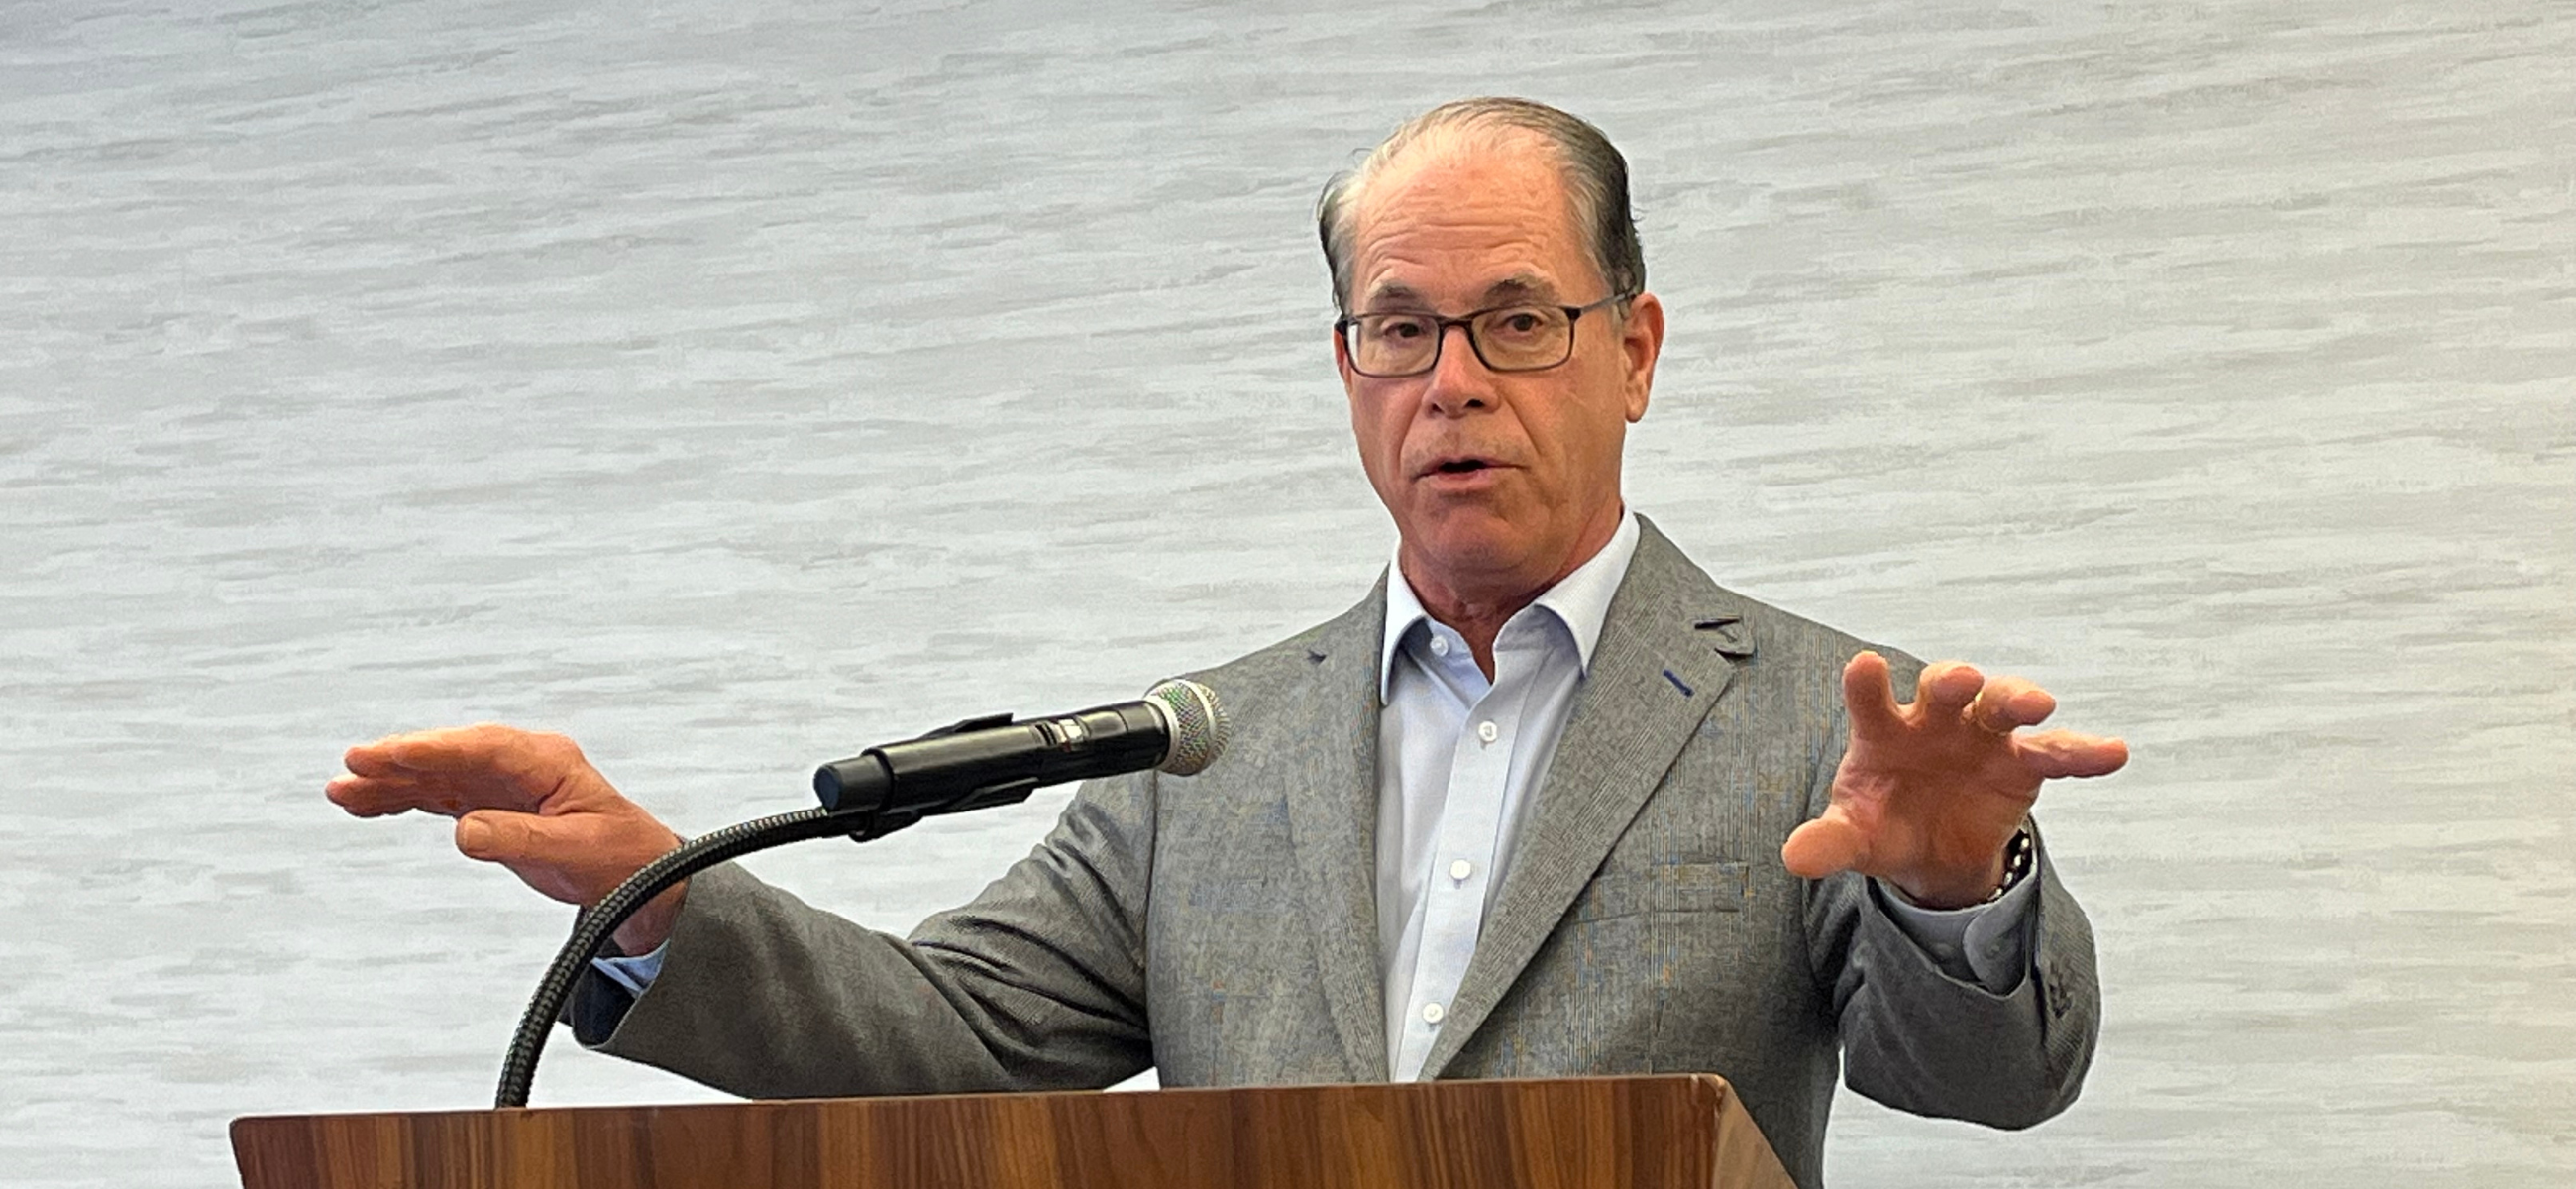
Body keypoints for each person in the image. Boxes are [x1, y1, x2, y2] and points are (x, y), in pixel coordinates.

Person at [328, 98, 2126, 1188]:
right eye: (1399, 330)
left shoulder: (1821, 723)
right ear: (1344, 367)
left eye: (1517, 321)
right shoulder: (1202, 745)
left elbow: (1989, 1084)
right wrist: (661, 894)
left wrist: (1958, 884)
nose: (1454, 386)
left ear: (1635, 351)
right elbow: (950, 1040)